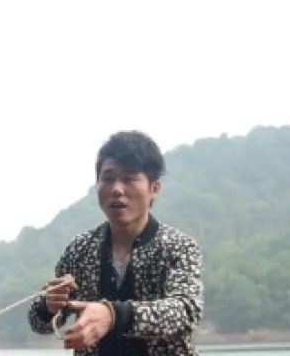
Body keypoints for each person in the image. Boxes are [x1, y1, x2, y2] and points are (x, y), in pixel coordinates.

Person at [27, 130, 203, 356]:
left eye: (129, 179)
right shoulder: (80, 249)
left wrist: (113, 314)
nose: (117, 189)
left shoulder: (178, 246)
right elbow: (39, 323)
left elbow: (186, 312)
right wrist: (49, 305)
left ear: (154, 189)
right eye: (108, 179)